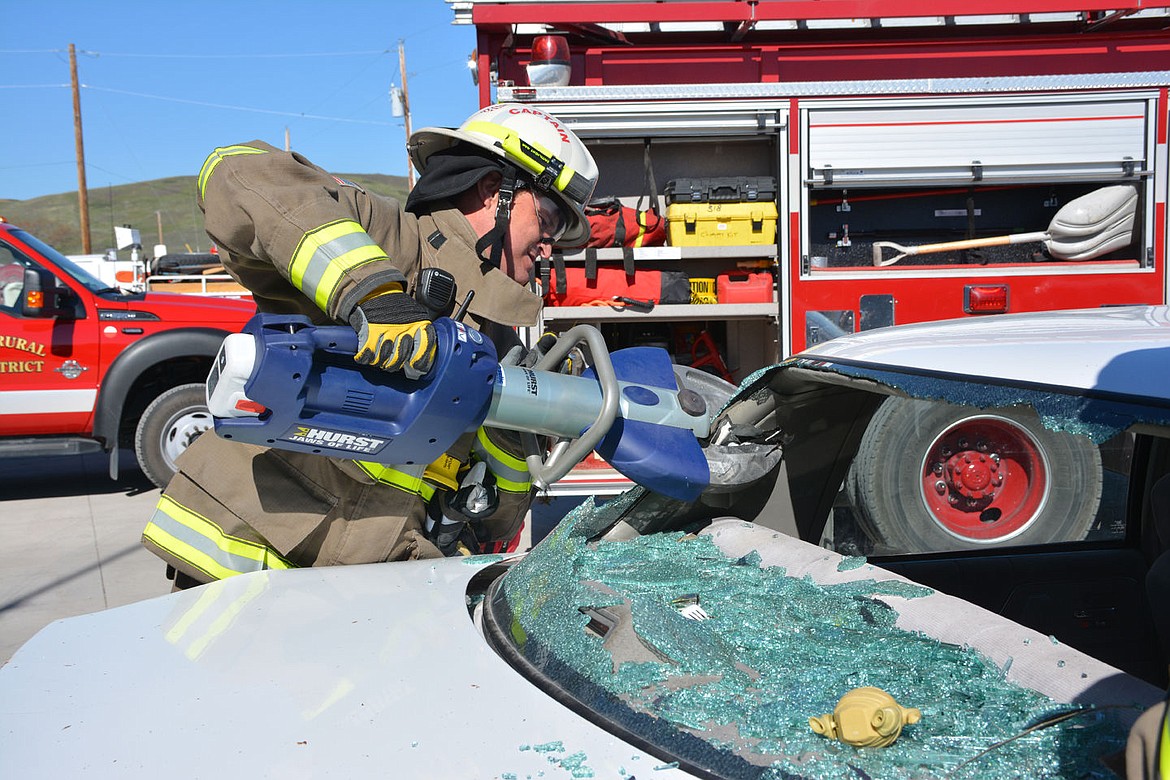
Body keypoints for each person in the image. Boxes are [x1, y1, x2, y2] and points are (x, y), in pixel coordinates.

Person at [142, 103, 598, 589]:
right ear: (494, 193)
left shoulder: (499, 339)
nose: (549, 247)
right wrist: (374, 293)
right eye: (546, 221)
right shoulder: (387, 237)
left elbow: (492, 520)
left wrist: (523, 431)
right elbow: (236, 171)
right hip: (244, 563)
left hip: (370, 589)